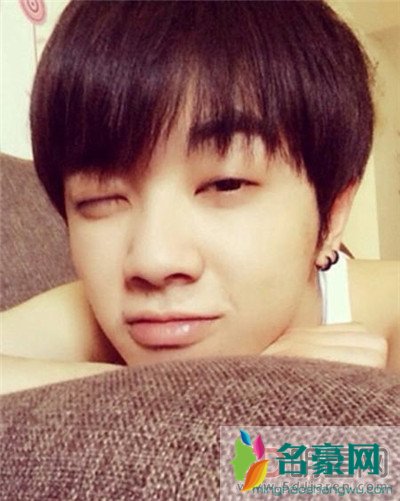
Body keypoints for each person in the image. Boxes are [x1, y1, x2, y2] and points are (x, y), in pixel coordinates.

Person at [1, 1, 399, 393]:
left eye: (226, 184)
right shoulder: (91, 311)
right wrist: (236, 381)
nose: (154, 261)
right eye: (100, 197)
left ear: (332, 217)